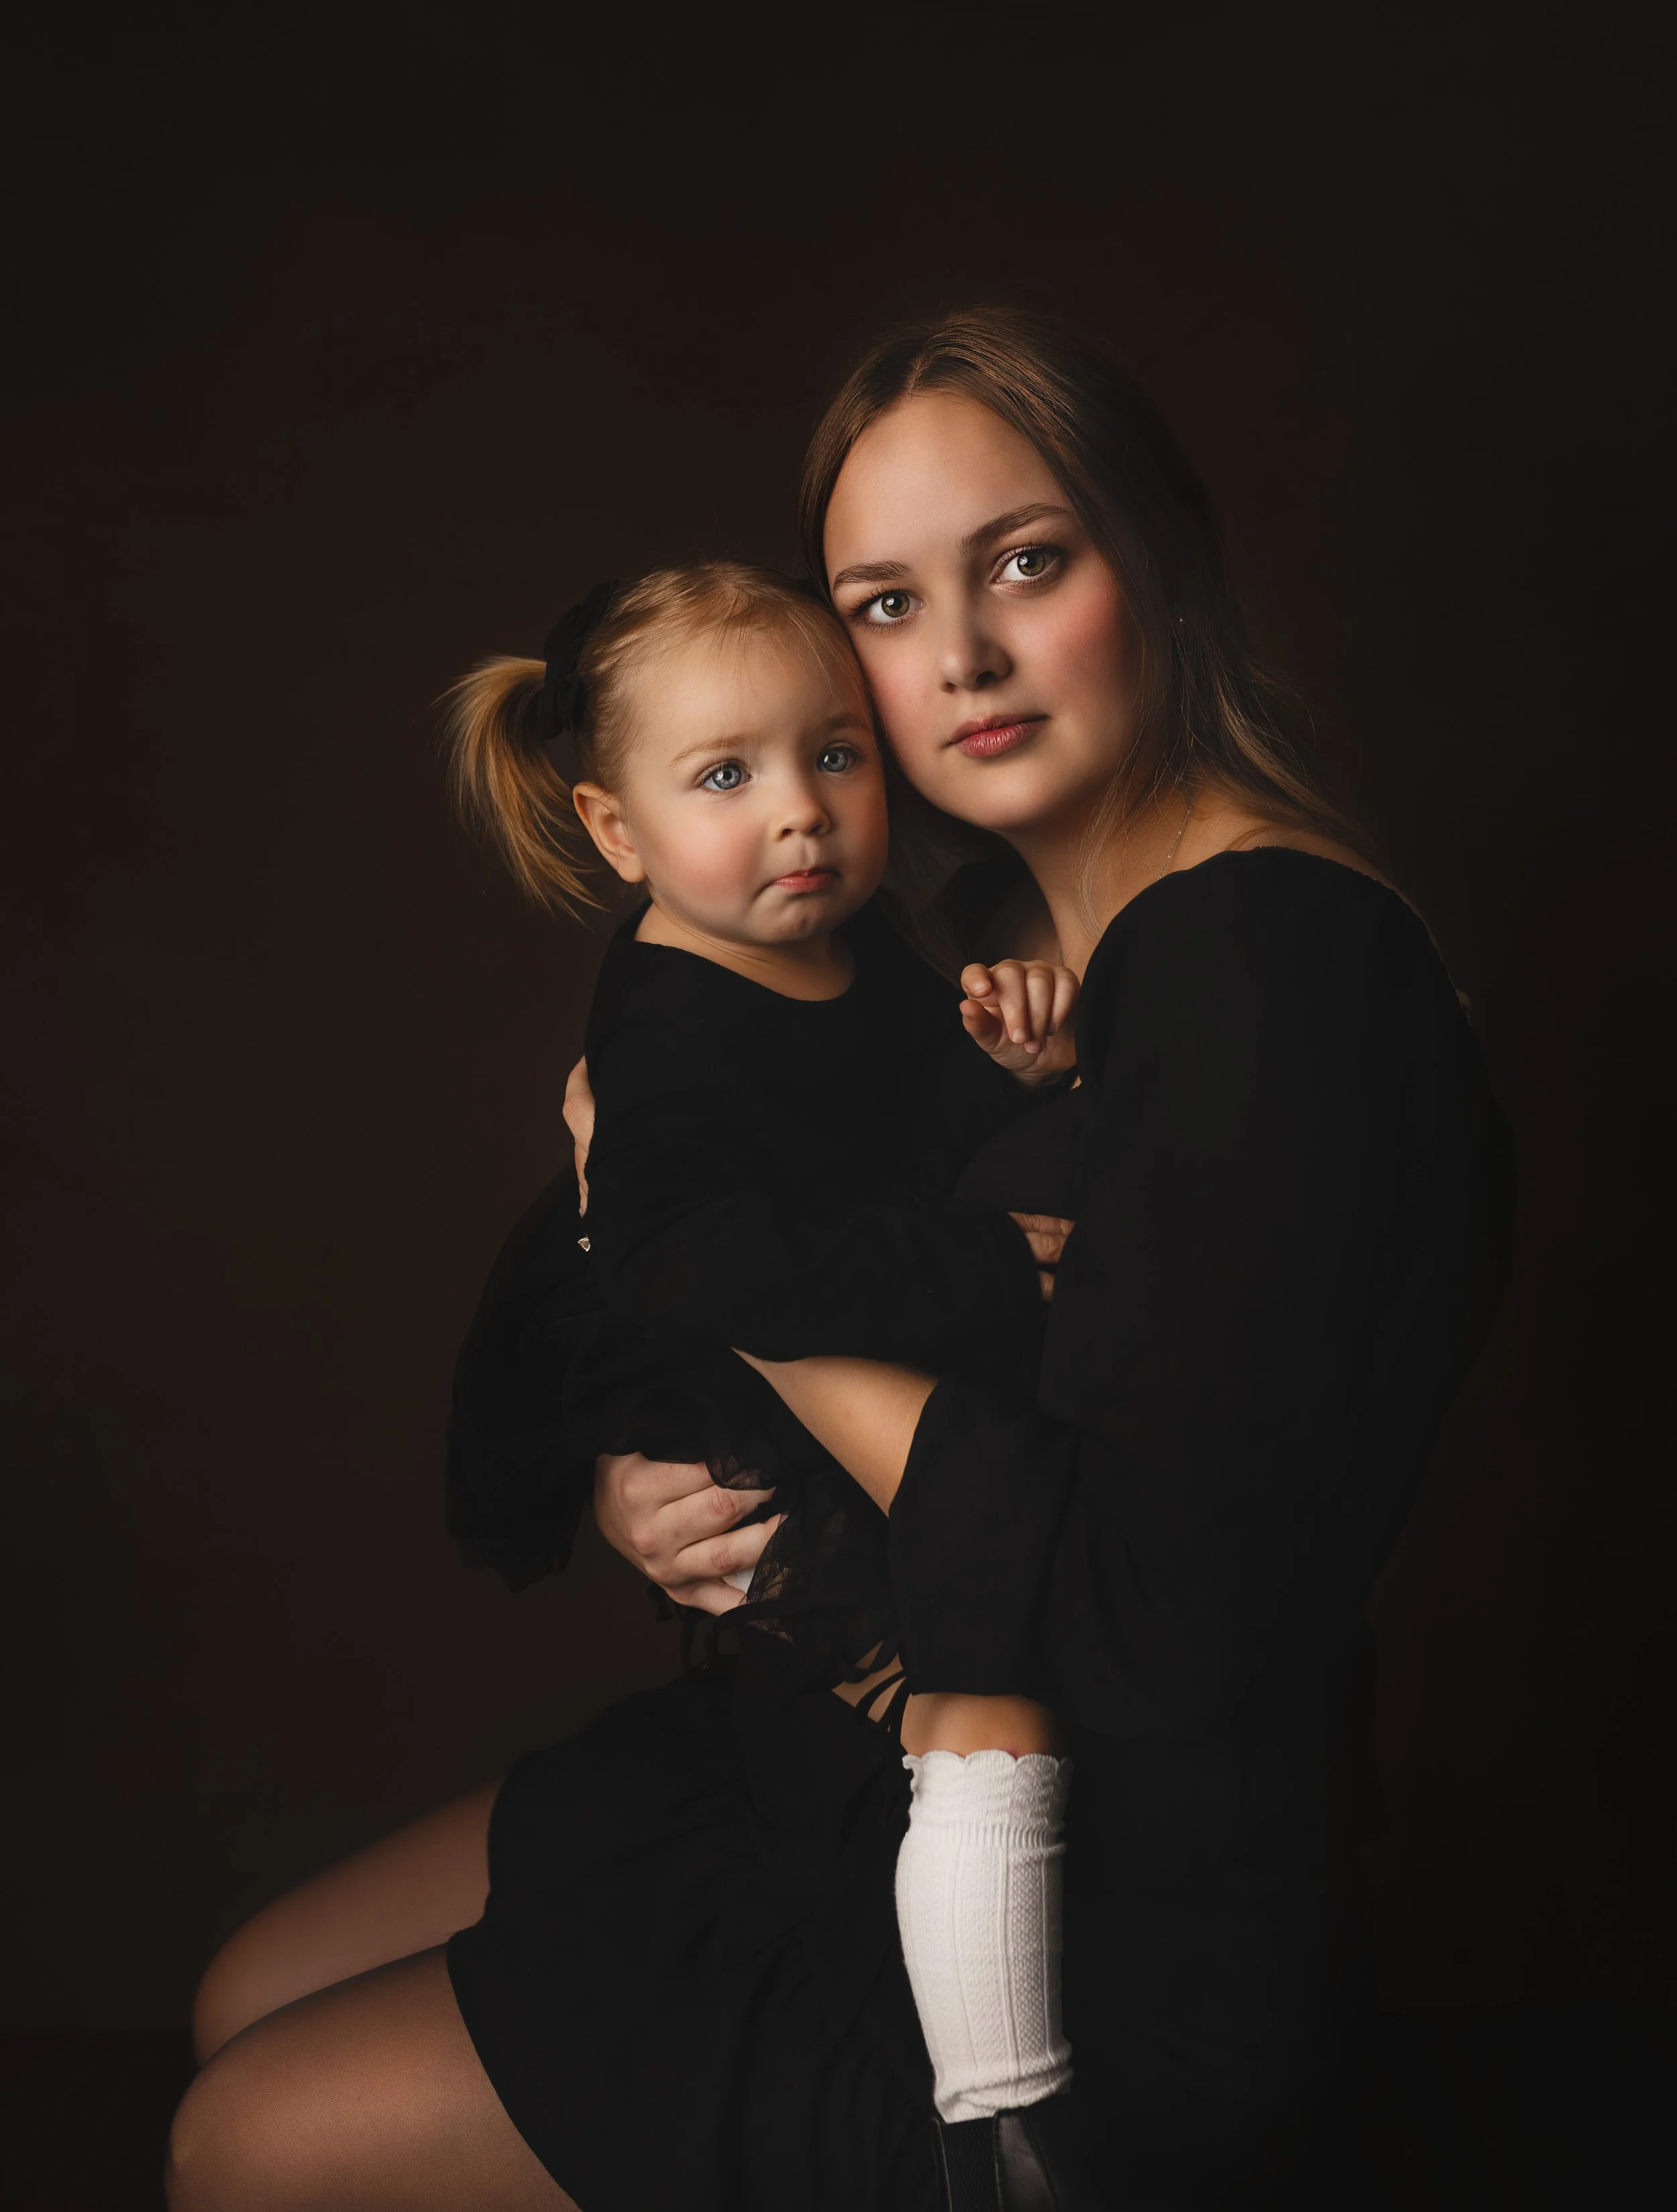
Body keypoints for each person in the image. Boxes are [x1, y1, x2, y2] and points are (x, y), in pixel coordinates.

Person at [166, 310, 1513, 2212]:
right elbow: (841, 1297)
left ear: (1158, 559)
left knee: (242, 2150)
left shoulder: (1270, 968)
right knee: (240, 1995)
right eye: (881, 605)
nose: (954, 657)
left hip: (1081, 1926)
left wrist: (723, 1298)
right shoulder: (975, 924)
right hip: (827, 1737)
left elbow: (1150, 1608)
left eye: (1024, 565)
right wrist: (664, 1469)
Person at [443, 555, 1094, 2187]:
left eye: (832, 754)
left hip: (838, 1378)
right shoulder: (664, 1016)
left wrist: (1000, 1060)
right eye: (725, 777)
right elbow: (671, 1258)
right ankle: (998, 2124)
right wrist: (968, 1261)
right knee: (974, 1673)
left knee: (992, 1682)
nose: (800, 813)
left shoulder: (865, 938)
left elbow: (899, 1143)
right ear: (617, 833)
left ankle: (1002, 2098)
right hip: (739, 1423)